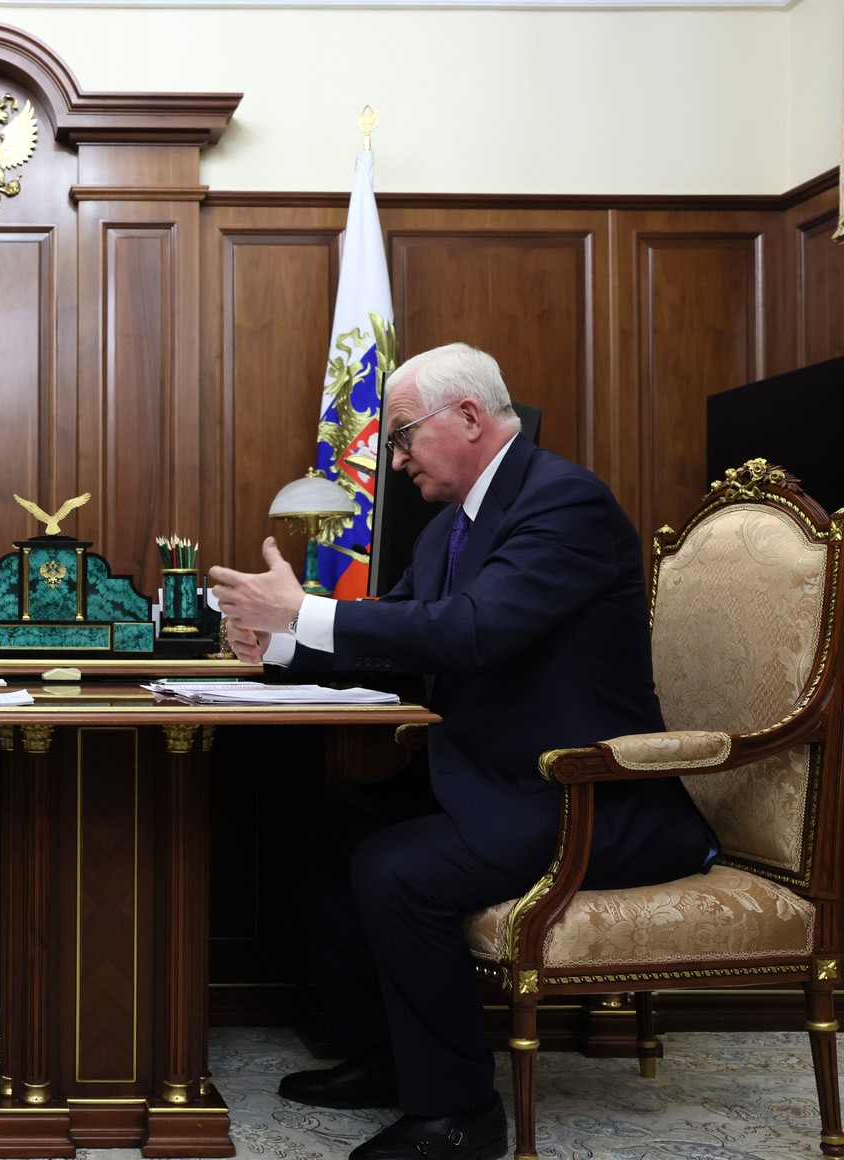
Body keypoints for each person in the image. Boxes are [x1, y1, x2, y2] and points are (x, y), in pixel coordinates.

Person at [208, 343, 717, 1160]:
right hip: (490, 780)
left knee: (396, 869)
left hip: (582, 796)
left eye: (403, 436)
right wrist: (278, 646)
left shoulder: (565, 503)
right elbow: (402, 643)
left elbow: (474, 631)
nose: (395, 459)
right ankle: (389, 1058)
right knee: (314, 825)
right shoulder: (451, 525)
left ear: (470, 417)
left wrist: (302, 611)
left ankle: (457, 1115)